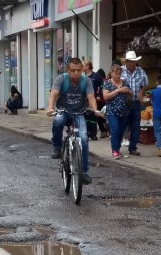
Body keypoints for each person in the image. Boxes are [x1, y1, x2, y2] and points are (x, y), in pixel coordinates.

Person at [46, 57, 98, 185]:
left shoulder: (86, 81)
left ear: (82, 70)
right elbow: (53, 94)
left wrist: (95, 109)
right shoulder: (61, 79)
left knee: (84, 139)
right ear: (67, 70)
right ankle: (57, 147)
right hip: (63, 110)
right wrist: (50, 108)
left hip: (79, 113)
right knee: (58, 121)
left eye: (79, 70)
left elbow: (91, 97)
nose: (76, 73)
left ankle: (84, 172)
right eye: (73, 70)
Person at [120, 51, 149, 156]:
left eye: (134, 62)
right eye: (130, 62)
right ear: (126, 62)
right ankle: (117, 147)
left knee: (135, 125)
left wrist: (141, 92)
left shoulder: (140, 72)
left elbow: (145, 84)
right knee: (122, 124)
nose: (132, 64)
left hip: (136, 102)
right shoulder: (121, 71)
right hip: (123, 102)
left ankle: (133, 147)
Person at [102, 63, 132, 160]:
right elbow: (105, 96)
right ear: (111, 73)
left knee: (121, 131)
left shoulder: (124, 82)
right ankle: (114, 150)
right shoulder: (107, 83)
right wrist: (118, 90)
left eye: (119, 74)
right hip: (112, 111)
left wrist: (127, 91)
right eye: (116, 74)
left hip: (124, 111)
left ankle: (117, 149)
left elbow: (131, 94)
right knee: (115, 130)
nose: (118, 76)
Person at [84, 60, 106, 139]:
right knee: (86, 117)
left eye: (84, 65)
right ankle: (87, 133)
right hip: (85, 101)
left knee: (94, 117)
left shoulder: (96, 76)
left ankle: (94, 134)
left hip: (94, 99)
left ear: (88, 66)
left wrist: (99, 95)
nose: (82, 67)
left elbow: (102, 86)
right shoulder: (83, 77)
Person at [149, 74, 161, 157]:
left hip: (156, 114)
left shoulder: (153, 91)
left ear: (157, 82)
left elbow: (151, 102)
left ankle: (160, 148)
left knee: (158, 131)